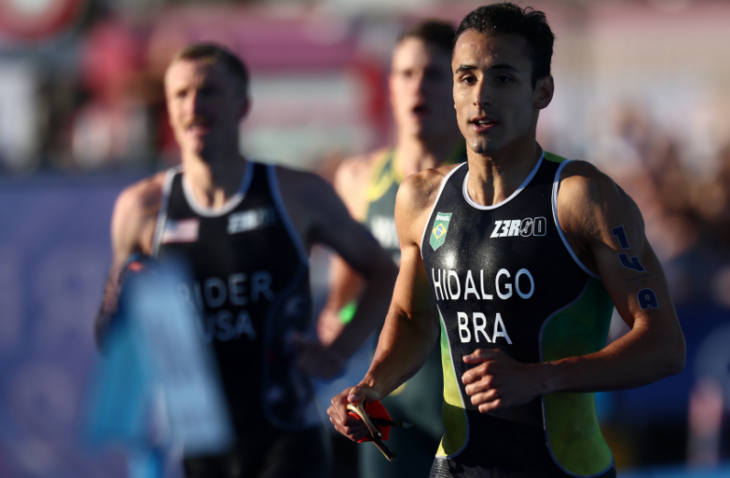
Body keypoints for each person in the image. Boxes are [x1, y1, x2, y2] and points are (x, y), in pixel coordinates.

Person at [327, 4, 686, 478]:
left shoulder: (582, 198)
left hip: (562, 468)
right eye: (467, 78)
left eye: (503, 78)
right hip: (456, 467)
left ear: (543, 91)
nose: (481, 97)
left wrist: (539, 378)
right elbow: (413, 320)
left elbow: (664, 346)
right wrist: (371, 386)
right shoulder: (420, 199)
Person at [95, 43, 398, 478]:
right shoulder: (142, 208)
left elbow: (383, 271)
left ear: (243, 104)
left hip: (284, 435)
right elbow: (111, 337)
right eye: (180, 94)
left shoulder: (296, 193)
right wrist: (117, 310)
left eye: (209, 92)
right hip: (188, 442)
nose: (194, 106)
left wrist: (339, 350)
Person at [315, 19, 464, 478]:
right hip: (390, 402)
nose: (419, 86)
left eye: (435, 74)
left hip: (473, 405)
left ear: (462, 87)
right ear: (390, 87)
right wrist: (334, 332)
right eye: (406, 73)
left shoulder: (488, 180)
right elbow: (344, 299)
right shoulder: (360, 179)